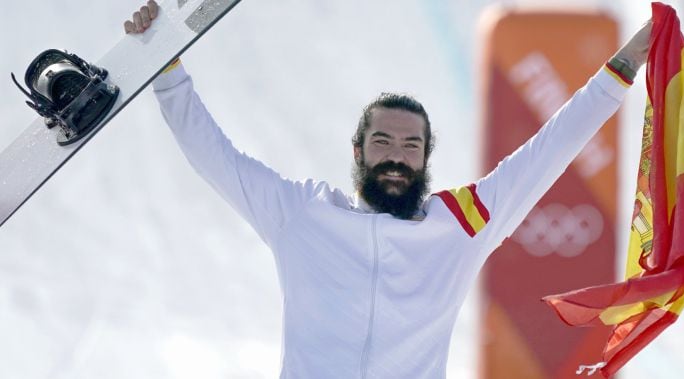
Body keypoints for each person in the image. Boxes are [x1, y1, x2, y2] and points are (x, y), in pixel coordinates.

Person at [126, 1, 650, 377]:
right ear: (358, 152)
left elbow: (549, 150)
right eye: (383, 142)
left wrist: (629, 60)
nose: (397, 156)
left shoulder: (459, 226)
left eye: (410, 146)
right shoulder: (302, 214)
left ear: (425, 158)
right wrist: (165, 68)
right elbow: (214, 157)